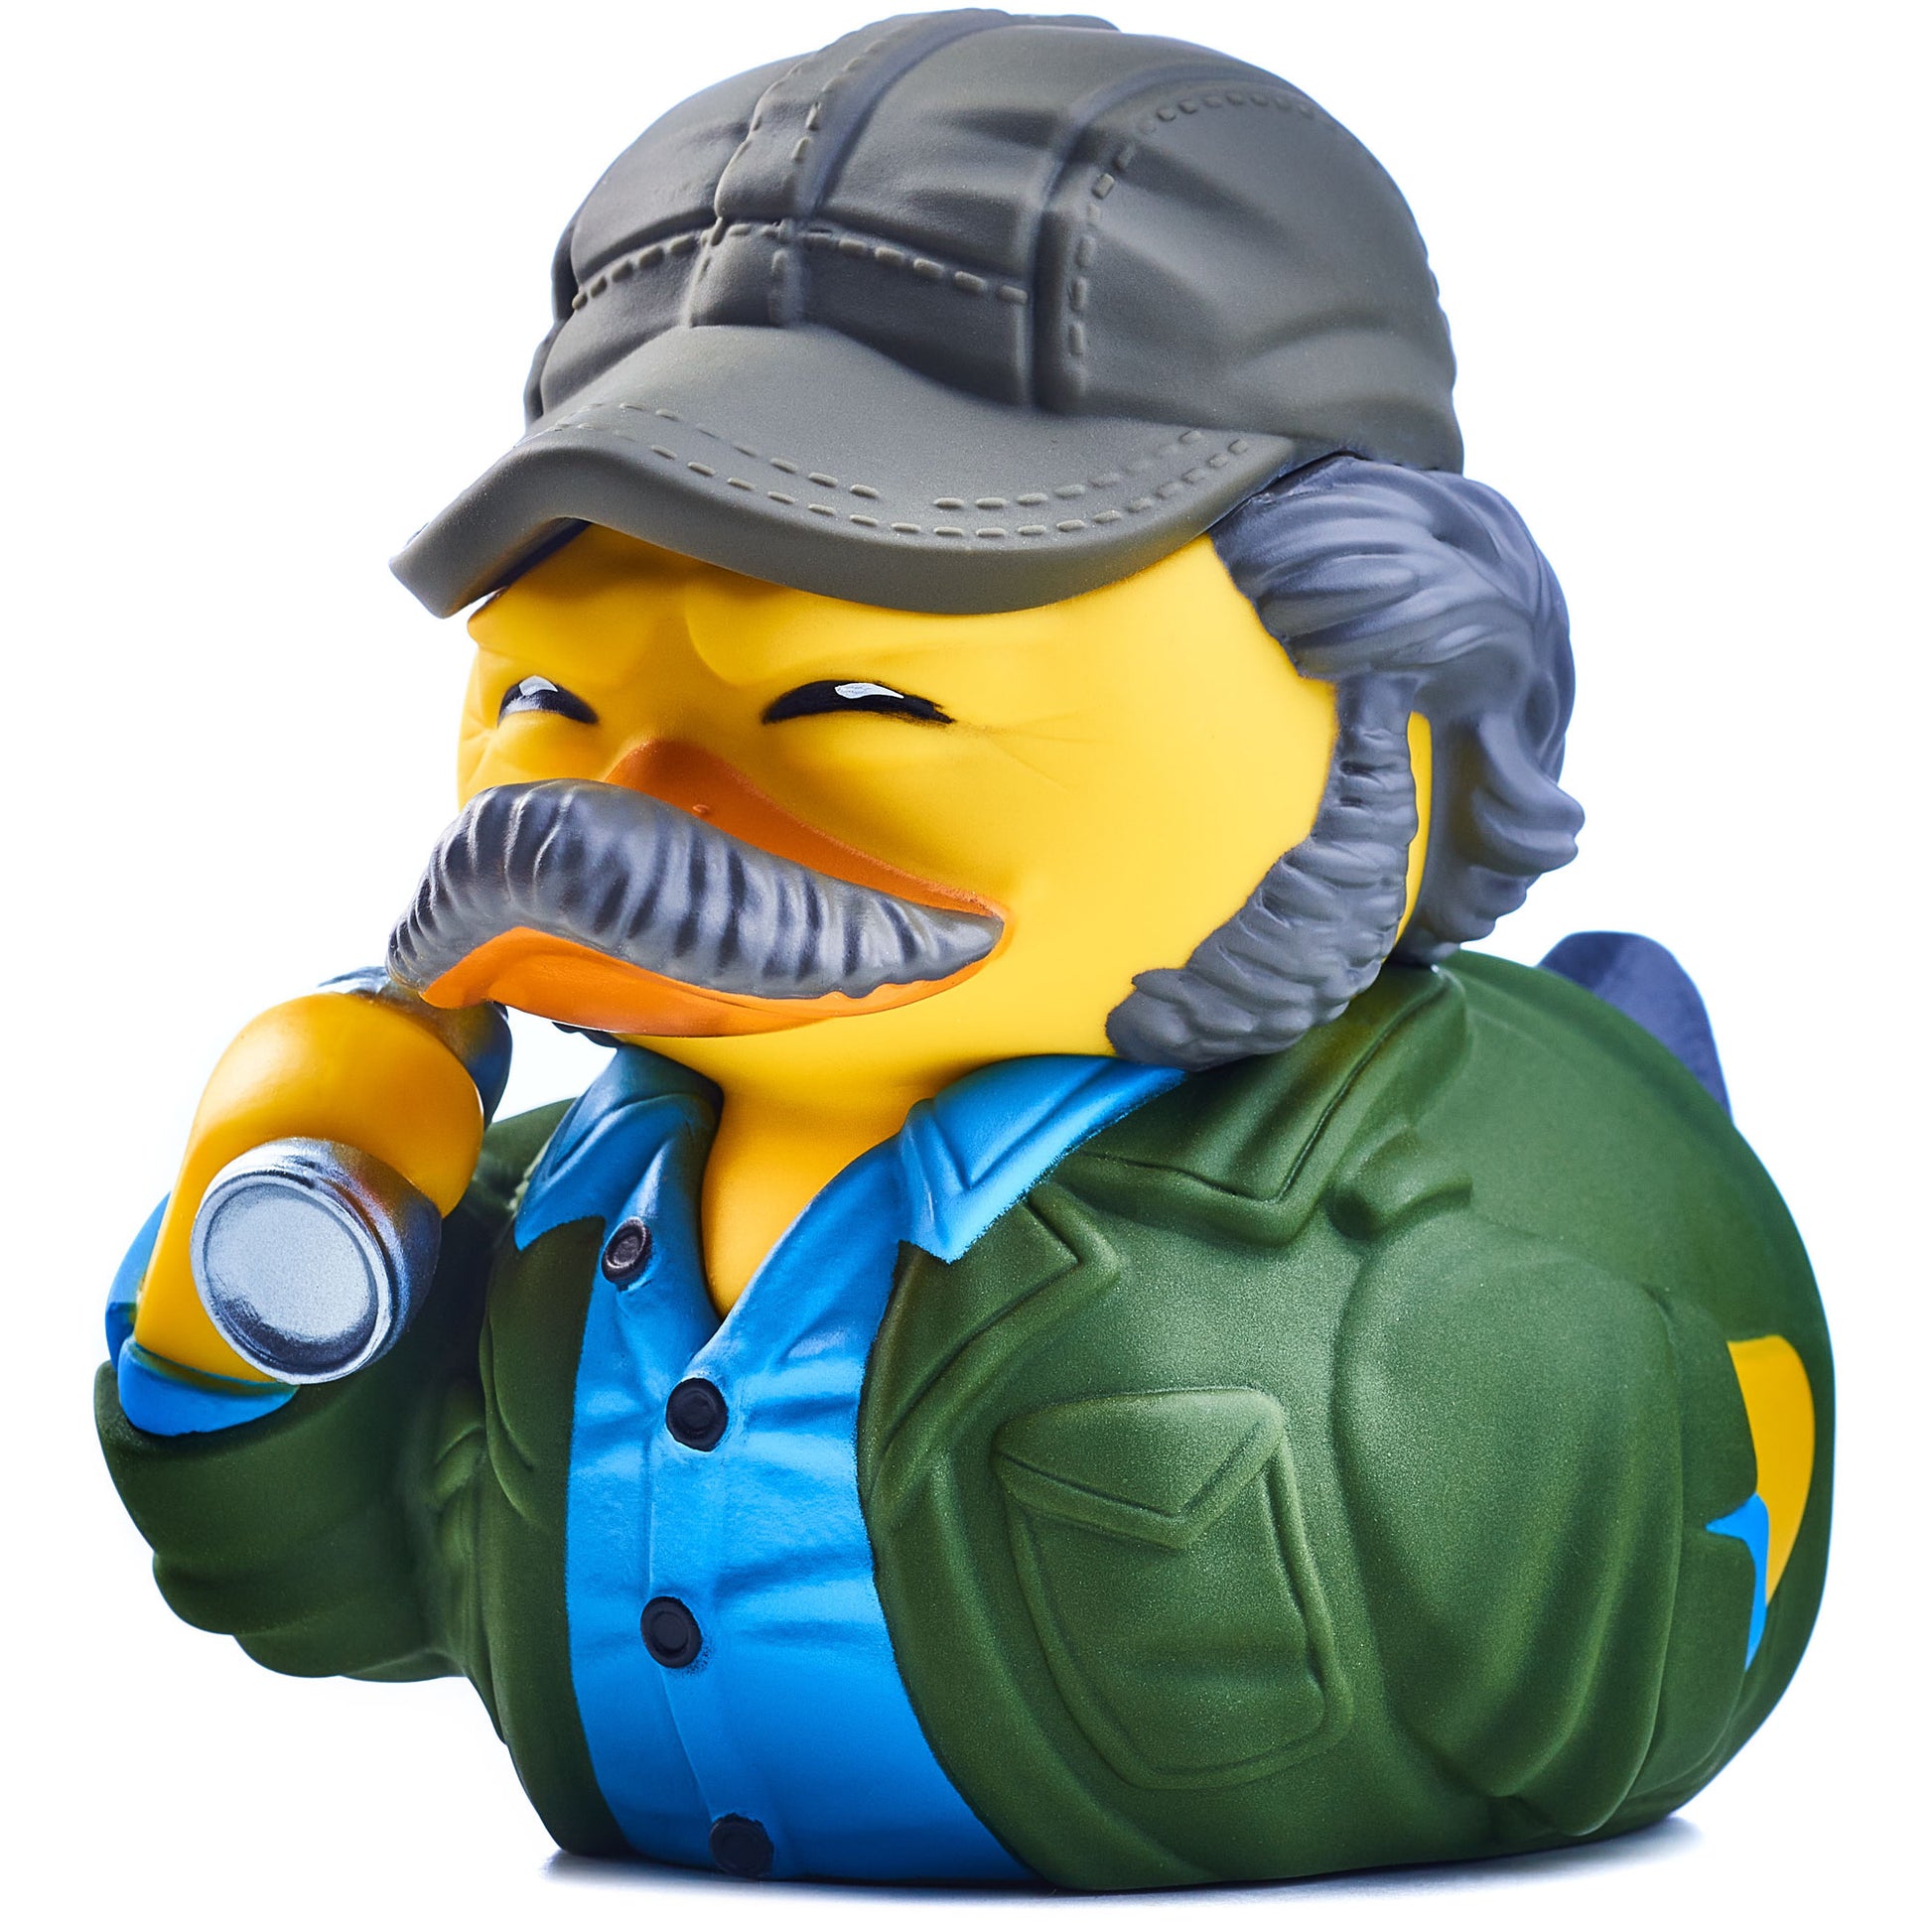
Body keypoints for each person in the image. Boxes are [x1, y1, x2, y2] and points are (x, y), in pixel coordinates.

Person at [97, 9, 1830, 1889]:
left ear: (1390, 730)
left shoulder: (1437, 1279)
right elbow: (319, 1580)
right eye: (546, 696)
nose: (625, 811)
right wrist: (271, 1239)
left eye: (850, 699)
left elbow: (1627, 1669)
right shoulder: (540, 1222)